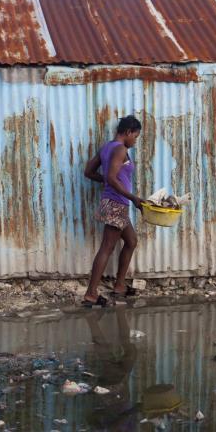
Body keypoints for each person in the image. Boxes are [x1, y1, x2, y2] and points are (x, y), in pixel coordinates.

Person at [82, 115, 145, 308]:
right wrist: (133, 198)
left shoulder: (107, 147)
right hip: (117, 203)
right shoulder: (120, 149)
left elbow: (89, 172)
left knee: (131, 241)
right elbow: (111, 176)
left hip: (114, 202)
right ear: (128, 132)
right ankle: (91, 294)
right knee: (107, 247)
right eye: (135, 136)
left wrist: (108, 183)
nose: (135, 140)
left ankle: (119, 285)